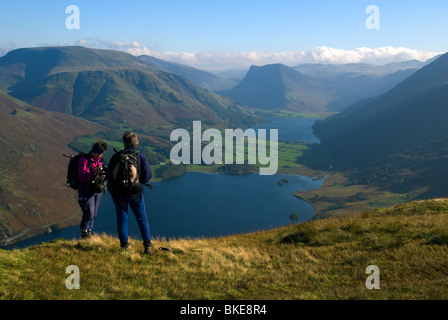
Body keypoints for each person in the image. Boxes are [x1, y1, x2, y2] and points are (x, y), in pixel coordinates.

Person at [107, 131, 152, 254]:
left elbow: (109, 176)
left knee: (122, 218)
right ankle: (147, 245)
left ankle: (124, 246)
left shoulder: (116, 157)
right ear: (136, 143)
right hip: (135, 193)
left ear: (124, 143)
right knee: (142, 218)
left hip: (119, 194)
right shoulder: (140, 157)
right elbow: (147, 177)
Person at [77, 141, 108, 239]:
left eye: (102, 154)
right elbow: (82, 177)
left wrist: (103, 175)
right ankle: (84, 233)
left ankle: (89, 232)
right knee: (89, 213)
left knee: (93, 213)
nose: (100, 156)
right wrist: (95, 172)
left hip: (95, 190)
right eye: (99, 154)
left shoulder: (99, 161)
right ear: (94, 152)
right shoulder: (84, 160)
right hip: (86, 190)